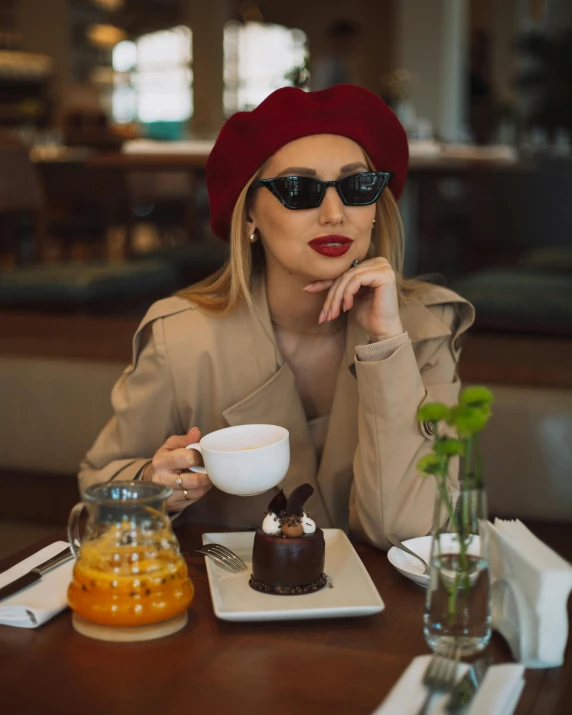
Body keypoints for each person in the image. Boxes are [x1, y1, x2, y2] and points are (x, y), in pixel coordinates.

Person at [79, 84, 474, 550]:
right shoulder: (181, 340)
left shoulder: (426, 328)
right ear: (249, 216)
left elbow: (409, 531)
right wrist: (153, 485)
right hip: (227, 607)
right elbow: (95, 506)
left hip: (382, 613)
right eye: (298, 189)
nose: (334, 213)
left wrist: (387, 345)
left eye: (356, 186)